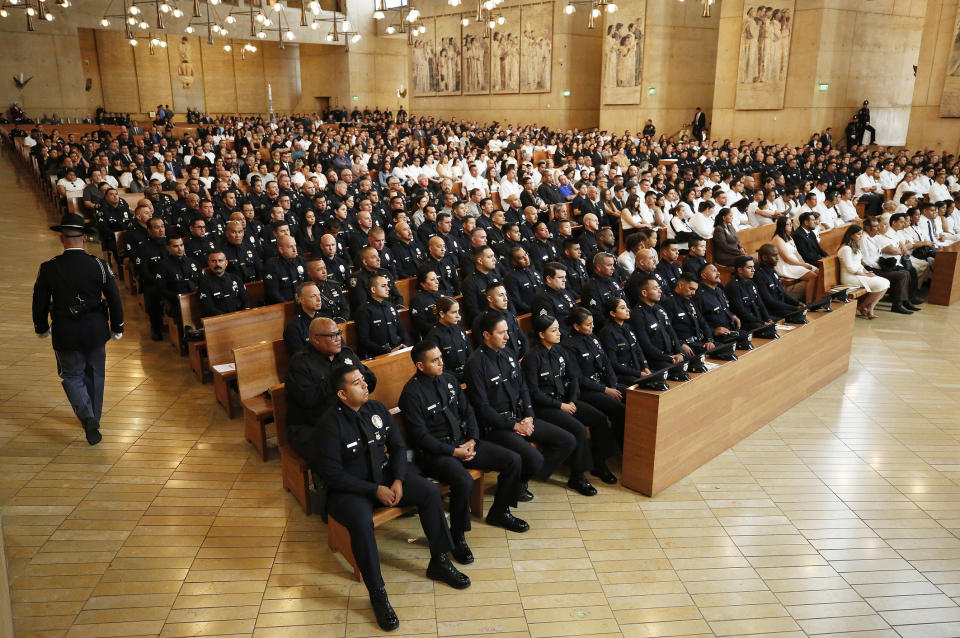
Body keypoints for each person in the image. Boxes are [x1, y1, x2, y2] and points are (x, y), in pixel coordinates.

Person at [313, 365, 470, 632]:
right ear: (341, 393)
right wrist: (374, 491)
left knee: (429, 492)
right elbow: (332, 475)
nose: (364, 385)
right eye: (356, 383)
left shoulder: (375, 409)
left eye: (364, 380)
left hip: (385, 478)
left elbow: (397, 447)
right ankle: (378, 593)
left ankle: (440, 561)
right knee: (362, 523)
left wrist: (397, 480)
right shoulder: (329, 424)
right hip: (350, 490)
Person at [399, 341, 529, 560]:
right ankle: (457, 536)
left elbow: (468, 413)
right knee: (463, 481)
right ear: (420, 366)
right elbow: (421, 437)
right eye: (435, 360)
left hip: (463, 443)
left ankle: (500, 512)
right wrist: (453, 452)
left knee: (513, 460)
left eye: (441, 357)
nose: (442, 362)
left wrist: (472, 439)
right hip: (437, 453)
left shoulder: (449, 380)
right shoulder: (411, 394)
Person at [464, 313, 579, 500]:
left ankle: (520, 480)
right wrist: (514, 426)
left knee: (567, 440)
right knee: (534, 457)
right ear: (486, 335)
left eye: (507, 332)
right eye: (501, 333)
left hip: (521, 417)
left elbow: (524, 388)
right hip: (497, 426)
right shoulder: (475, 363)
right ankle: (513, 482)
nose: (507, 337)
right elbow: (482, 407)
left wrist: (529, 416)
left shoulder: (509, 354)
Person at [32, 213, 124, 446]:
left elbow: (39, 302)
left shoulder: (48, 268)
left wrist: (41, 327)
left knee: (72, 376)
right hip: (95, 330)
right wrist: (118, 326)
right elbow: (114, 298)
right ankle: (95, 417)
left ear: (62, 239)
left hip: (65, 331)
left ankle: (87, 418)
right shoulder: (100, 266)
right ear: (84, 239)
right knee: (96, 374)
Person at [524, 315, 617, 487]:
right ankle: (577, 476)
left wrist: (572, 400)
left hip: (567, 401)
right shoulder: (532, 357)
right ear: (542, 334)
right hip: (546, 406)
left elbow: (574, 378)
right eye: (553, 330)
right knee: (579, 429)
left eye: (558, 329)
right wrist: (561, 405)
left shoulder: (560, 350)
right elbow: (534, 393)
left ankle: (599, 463)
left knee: (599, 418)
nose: (559, 333)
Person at [598, 297, 653, 387]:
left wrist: (645, 367)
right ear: (612, 313)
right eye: (622, 308)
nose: (628, 310)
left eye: (627, 307)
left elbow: (638, 350)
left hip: (636, 369)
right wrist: (639, 373)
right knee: (648, 385)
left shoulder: (628, 327)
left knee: (659, 377)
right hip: (622, 374)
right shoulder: (607, 333)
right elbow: (614, 364)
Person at [838, 224, 890, 319]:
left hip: (858, 275)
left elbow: (858, 264)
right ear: (850, 235)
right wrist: (864, 274)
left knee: (886, 283)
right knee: (880, 285)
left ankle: (870, 307)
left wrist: (866, 272)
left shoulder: (854, 246)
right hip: (850, 277)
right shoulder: (845, 248)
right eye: (858, 234)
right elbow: (850, 267)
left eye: (862, 234)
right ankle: (862, 306)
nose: (861, 236)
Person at [355, 274, 410, 358]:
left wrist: (405, 345)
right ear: (373, 289)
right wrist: (388, 351)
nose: (388, 289)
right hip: (379, 355)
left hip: (398, 350)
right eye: (384, 286)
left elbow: (402, 330)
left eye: (387, 285)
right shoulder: (364, 310)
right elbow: (364, 340)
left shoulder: (390, 306)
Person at [754, 244, 809, 322]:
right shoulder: (758, 275)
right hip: (772, 311)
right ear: (764, 258)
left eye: (777, 255)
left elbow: (783, 293)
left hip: (781, 307)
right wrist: (794, 308)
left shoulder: (772, 271)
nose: (777, 258)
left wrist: (798, 303)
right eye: (774, 256)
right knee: (800, 315)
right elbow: (769, 301)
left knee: (804, 313)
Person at [772, 216, 820, 303]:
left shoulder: (789, 237)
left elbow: (797, 254)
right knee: (812, 276)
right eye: (789, 224)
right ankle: (809, 303)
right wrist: (802, 265)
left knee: (818, 271)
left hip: (795, 263)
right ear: (782, 226)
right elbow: (786, 258)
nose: (791, 226)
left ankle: (817, 298)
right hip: (785, 266)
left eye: (791, 224)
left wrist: (805, 264)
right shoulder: (777, 239)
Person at [724, 256, 776, 334]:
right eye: (749, 267)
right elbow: (742, 312)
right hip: (745, 323)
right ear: (740, 270)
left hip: (757, 319)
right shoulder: (733, 286)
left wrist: (768, 319)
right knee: (769, 330)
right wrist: (763, 323)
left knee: (779, 321)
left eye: (753, 267)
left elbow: (761, 304)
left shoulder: (751, 283)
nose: (753, 270)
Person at [425, 297, 472, 382]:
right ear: (442, 314)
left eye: (458, 311)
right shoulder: (433, 336)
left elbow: (470, 355)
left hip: (468, 375)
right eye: (454, 312)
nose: (458, 316)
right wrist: (463, 378)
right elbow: (440, 368)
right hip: (450, 380)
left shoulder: (459, 330)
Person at [197, 251, 250, 317]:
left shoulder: (235, 278)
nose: (217, 264)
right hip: (220, 320)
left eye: (220, 260)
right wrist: (228, 318)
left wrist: (245, 313)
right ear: (209, 263)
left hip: (240, 316)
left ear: (226, 263)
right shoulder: (204, 283)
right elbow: (209, 309)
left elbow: (246, 299)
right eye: (213, 261)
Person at [283, 281, 330, 353]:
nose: (319, 299)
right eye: (313, 296)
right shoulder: (293, 327)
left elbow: (340, 345)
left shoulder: (326, 319)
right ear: (302, 300)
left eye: (319, 295)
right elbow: (301, 357)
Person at [263, 235, 306, 305]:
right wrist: (289, 305)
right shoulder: (271, 265)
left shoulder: (300, 260)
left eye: (295, 245)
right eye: (290, 247)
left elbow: (307, 283)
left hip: (302, 303)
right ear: (281, 250)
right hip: (283, 306)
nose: (295, 249)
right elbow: (273, 294)